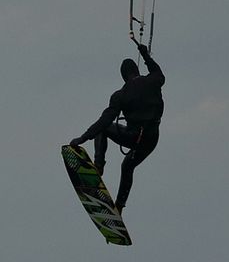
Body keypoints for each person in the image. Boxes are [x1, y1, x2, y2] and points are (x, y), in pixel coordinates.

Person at [70, 43, 165, 214]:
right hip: (151, 140)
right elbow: (156, 70)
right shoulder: (154, 80)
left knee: (104, 129)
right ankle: (119, 207)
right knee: (127, 166)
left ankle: (98, 166)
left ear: (123, 77)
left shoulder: (120, 95)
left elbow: (104, 121)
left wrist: (83, 138)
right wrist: (145, 55)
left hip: (134, 137)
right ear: (136, 70)